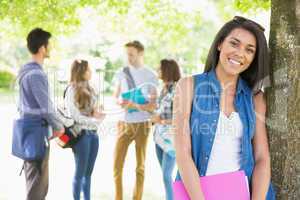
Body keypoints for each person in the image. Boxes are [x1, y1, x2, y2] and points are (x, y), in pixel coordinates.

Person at [173, 16, 275, 200]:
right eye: (234, 44)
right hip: (196, 192)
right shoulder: (188, 86)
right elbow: (183, 152)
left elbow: (262, 157)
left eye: (249, 50)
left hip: (243, 193)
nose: (240, 53)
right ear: (220, 44)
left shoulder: (256, 98)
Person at [17, 28, 64, 200]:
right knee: (38, 184)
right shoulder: (36, 73)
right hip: (37, 133)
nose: (50, 48)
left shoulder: (25, 71)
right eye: (48, 44)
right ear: (42, 48)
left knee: (33, 179)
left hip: (28, 132)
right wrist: (59, 127)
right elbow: (46, 108)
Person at [112, 40, 158, 200]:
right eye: (127, 54)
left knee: (140, 166)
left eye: (131, 54)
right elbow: (116, 95)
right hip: (123, 123)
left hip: (142, 124)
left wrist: (136, 105)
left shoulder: (151, 75)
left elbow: (153, 105)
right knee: (117, 166)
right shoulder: (122, 72)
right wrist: (120, 102)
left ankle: (136, 198)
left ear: (140, 53)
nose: (128, 58)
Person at [64, 59, 105, 200]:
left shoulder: (91, 88)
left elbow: (93, 110)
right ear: (81, 71)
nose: (91, 72)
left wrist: (98, 113)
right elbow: (74, 116)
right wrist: (94, 121)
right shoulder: (71, 89)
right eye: (88, 69)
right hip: (81, 136)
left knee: (88, 173)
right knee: (80, 173)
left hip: (94, 134)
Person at [151, 59, 181, 200]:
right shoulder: (163, 88)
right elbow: (159, 111)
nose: (158, 71)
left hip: (171, 138)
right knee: (165, 174)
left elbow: (181, 117)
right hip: (159, 137)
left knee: (166, 174)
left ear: (167, 70)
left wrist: (161, 120)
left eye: (160, 69)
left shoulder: (177, 89)